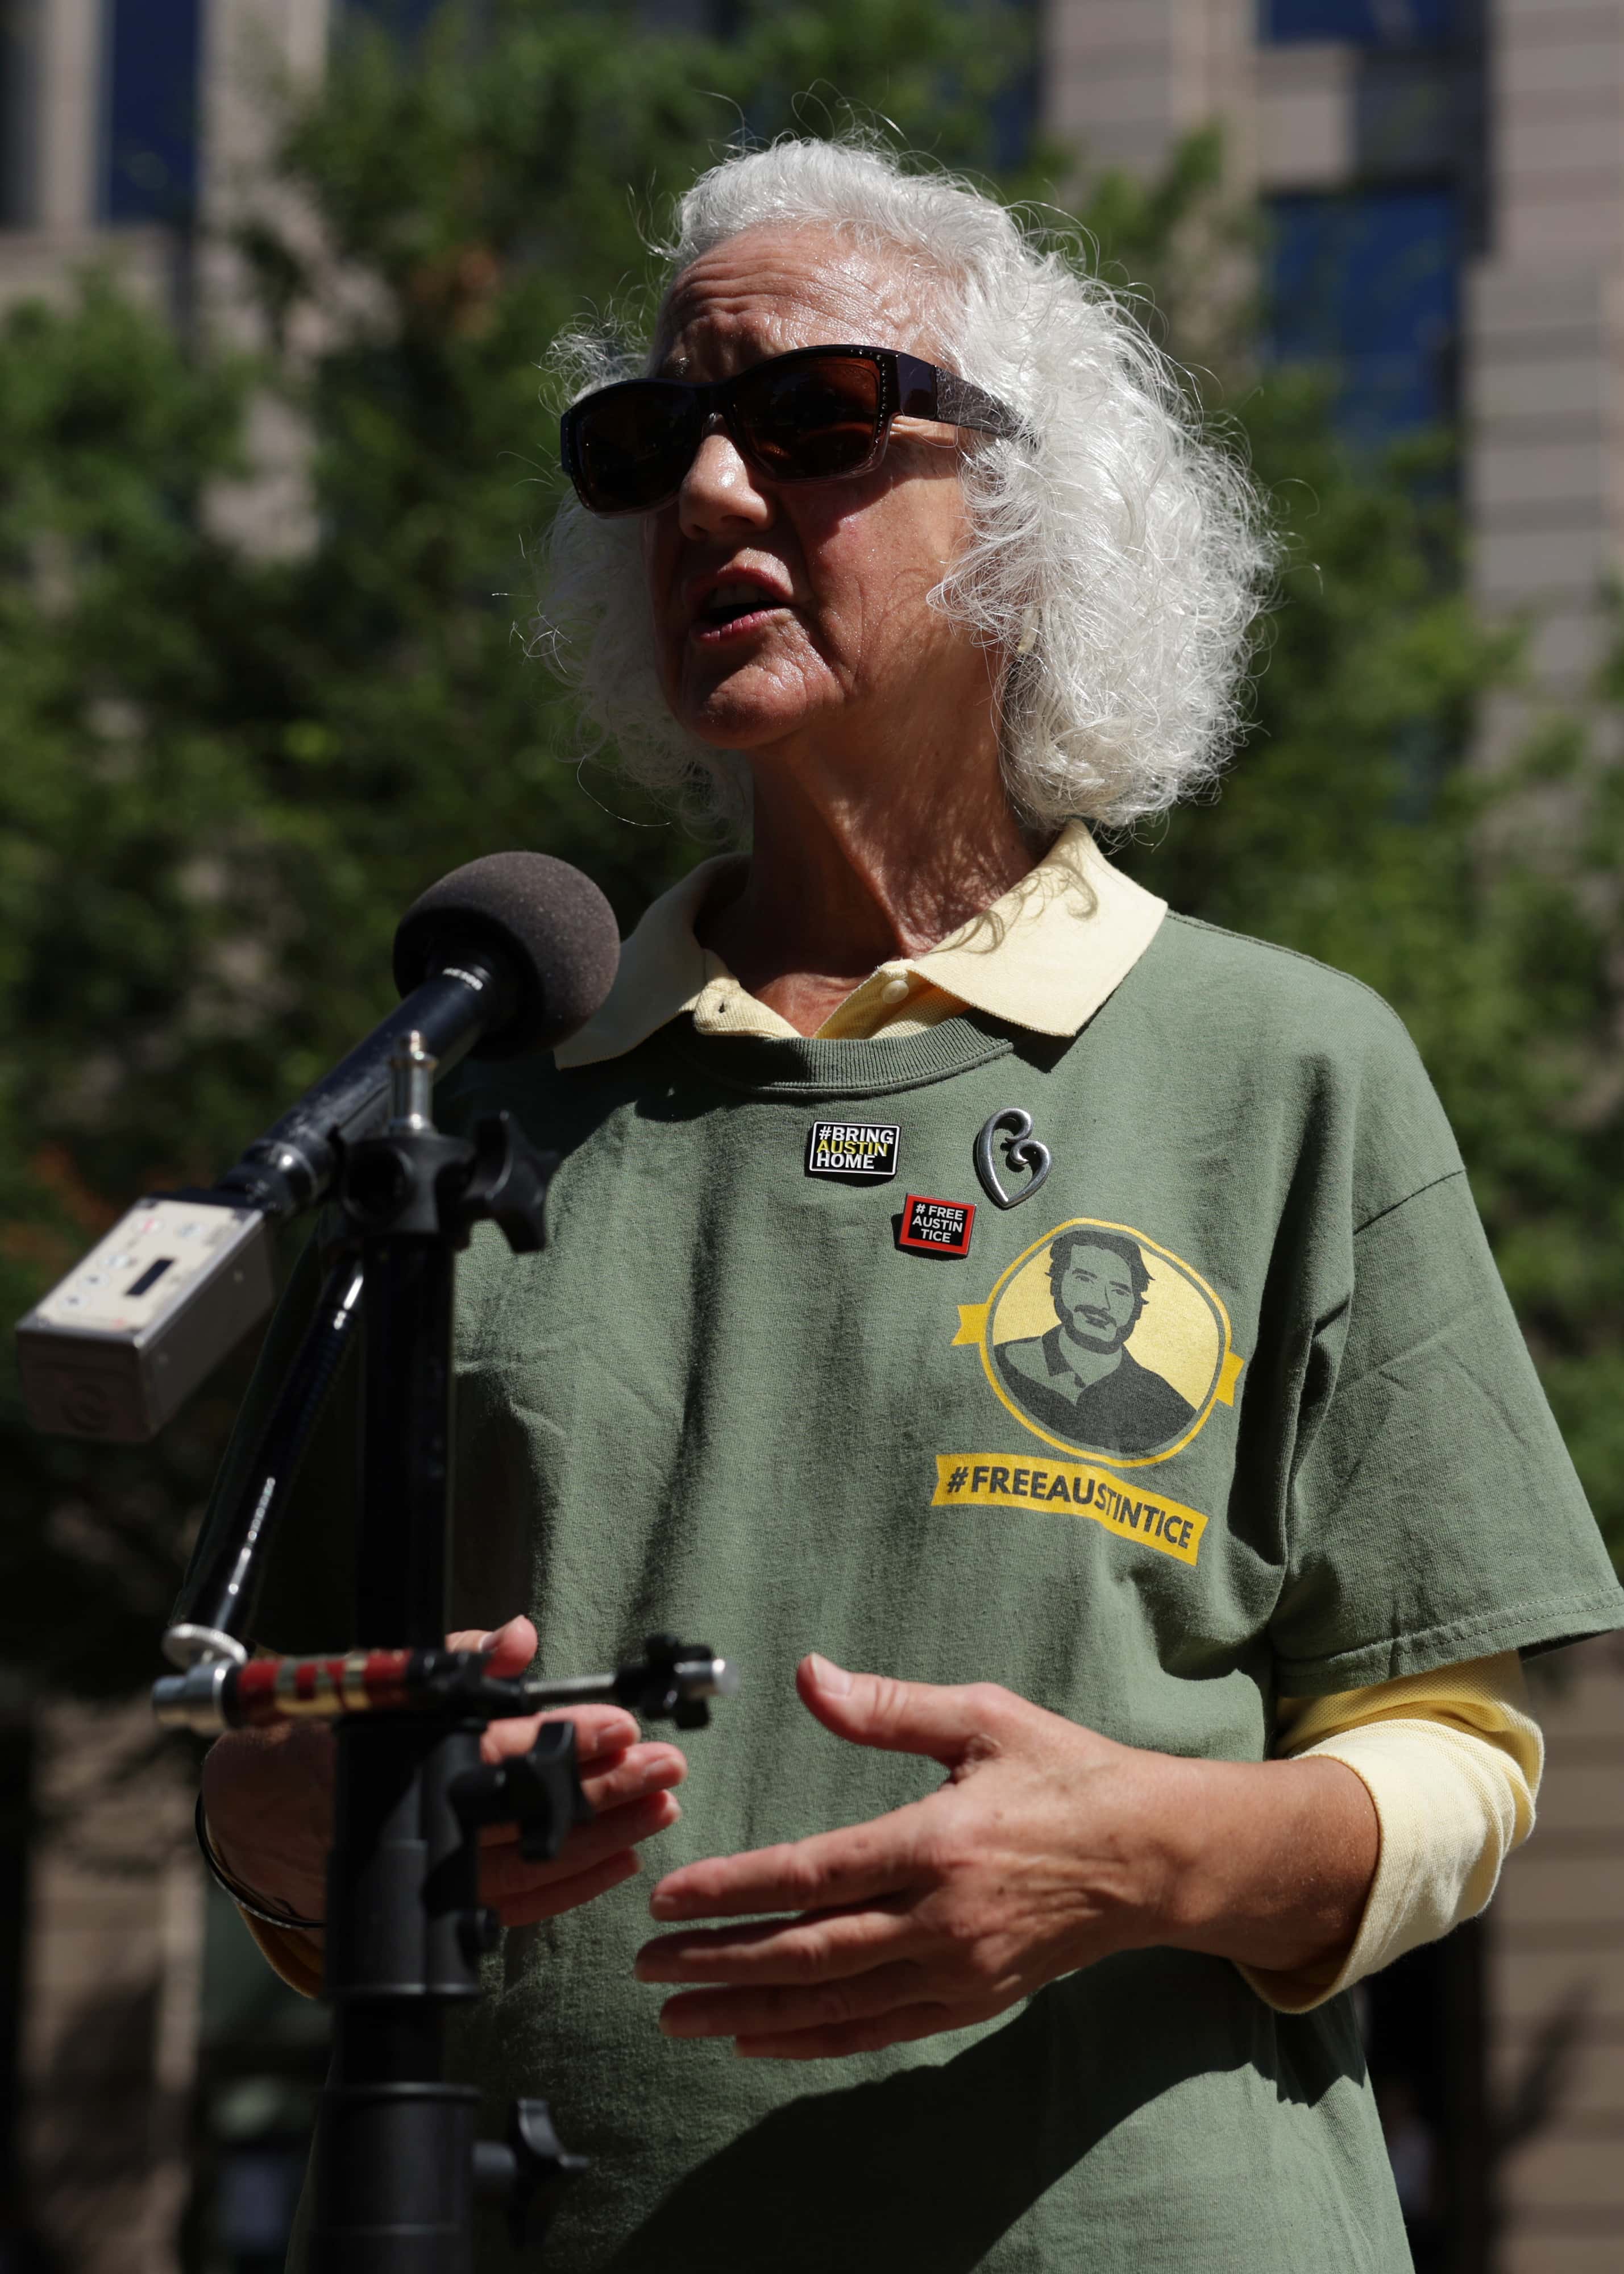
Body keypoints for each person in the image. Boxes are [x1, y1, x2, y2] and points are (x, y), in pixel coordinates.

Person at [192, 138, 1623, 2274]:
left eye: (814, 419)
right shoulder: (456, 1106)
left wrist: (1146, 1856)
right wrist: (322, 1825)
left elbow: (1450, 1746)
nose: (702, 494)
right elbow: (263, 1764)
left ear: (1037, 516)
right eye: (646, 438)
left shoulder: (1279, 1062)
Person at [994, 1226, 1197, 1454]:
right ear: (1056, 1283)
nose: (1102, 1304)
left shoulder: (1170, 1409)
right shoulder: (1001, 1363)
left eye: (1120, 1291)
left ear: (1137, 1307)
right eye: (1084, 1280)